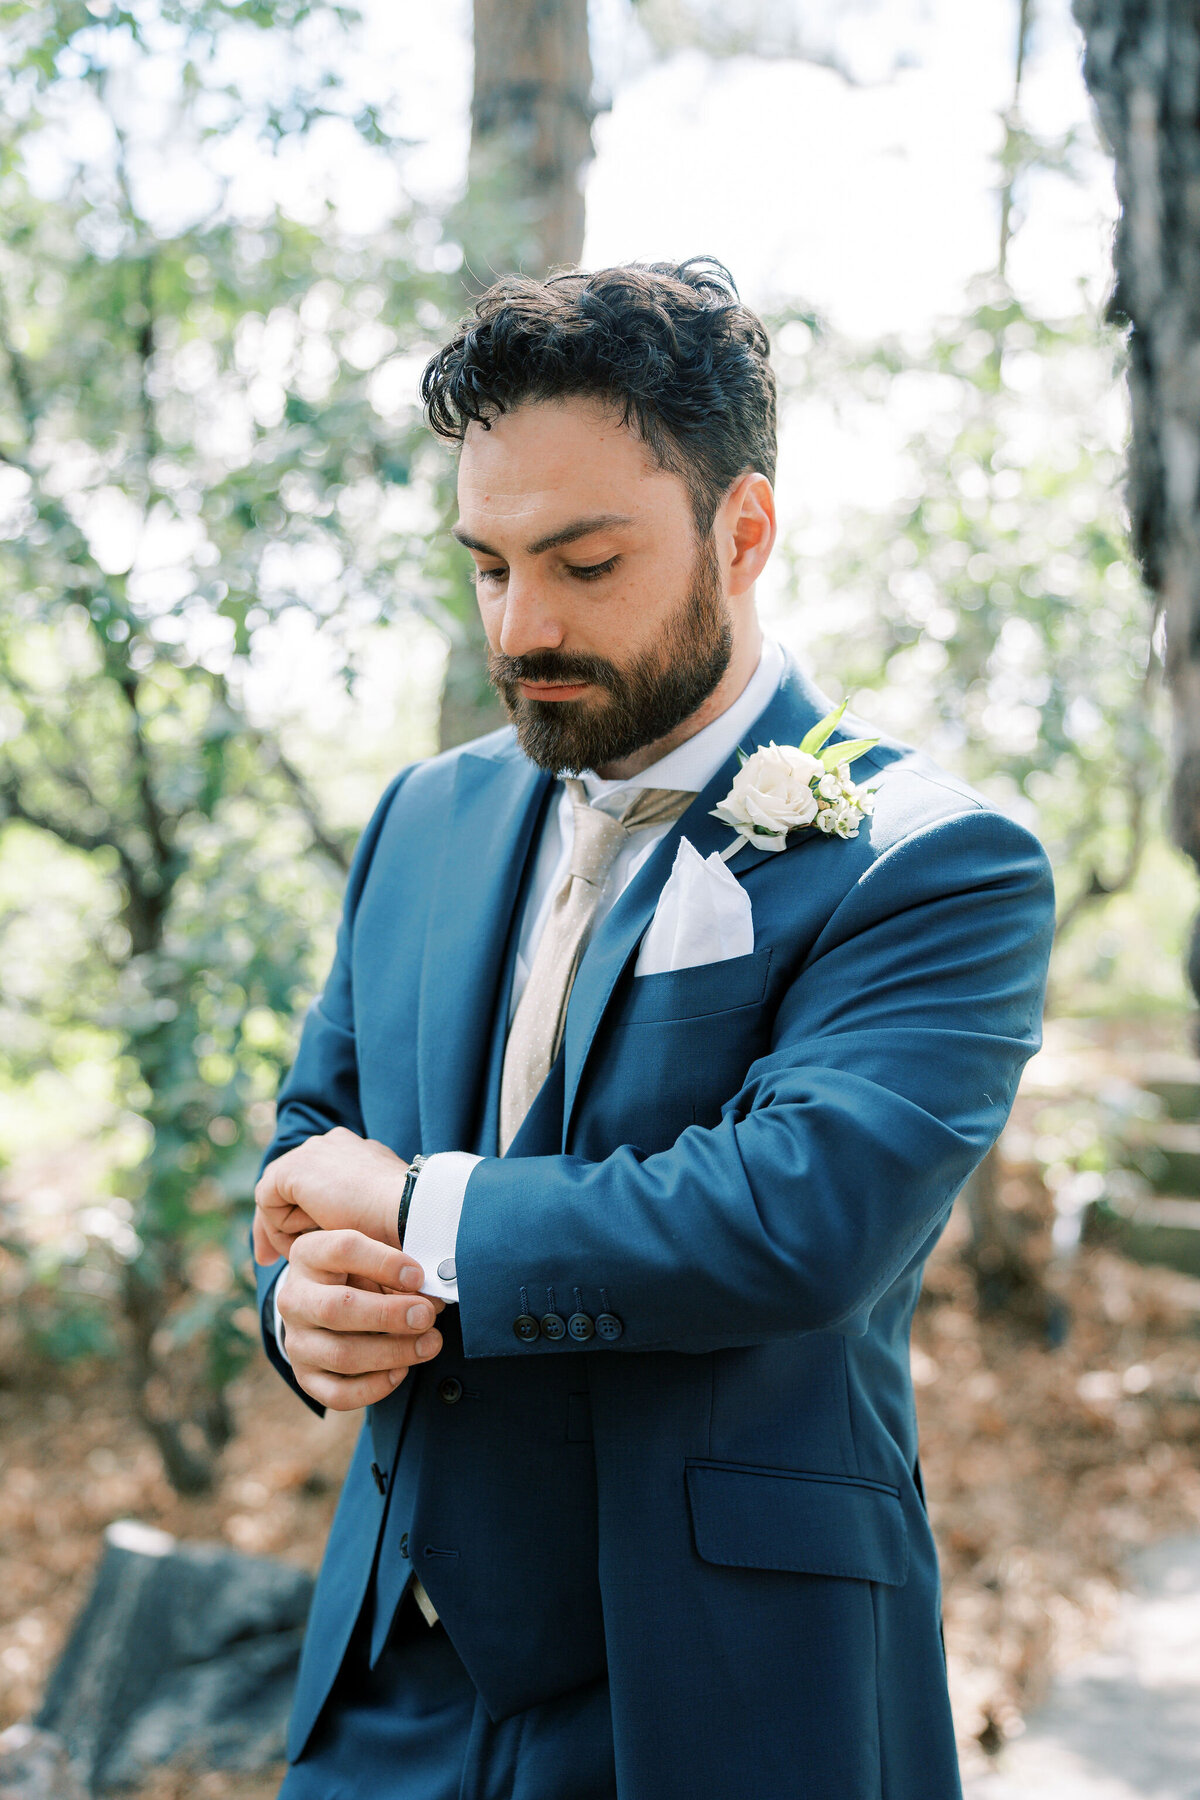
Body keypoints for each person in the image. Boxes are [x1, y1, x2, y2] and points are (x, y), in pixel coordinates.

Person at [251, 258, 1055, 1800]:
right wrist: (304, 1308)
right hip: (392, 1694)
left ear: (743, 531)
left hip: (732, 1702)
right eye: (487, 566)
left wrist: (417, 1212)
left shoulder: (937, 858)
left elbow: (796, 1219)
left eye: (586, 562)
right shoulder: (421, 815)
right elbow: (312, 1151)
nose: (522, 623)